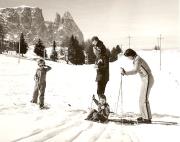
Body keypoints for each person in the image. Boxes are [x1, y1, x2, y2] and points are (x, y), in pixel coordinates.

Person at [121, 48, 154, 123]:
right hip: (145, 79)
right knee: (141, 98)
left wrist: (125, 72)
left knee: (144, 99)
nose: (128, 58)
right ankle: (144, 116)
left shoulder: (138, 59)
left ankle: (147, 119)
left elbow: (135, 71)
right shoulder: (136, 59)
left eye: (128, 56)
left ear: (131, 55)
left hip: (147, 78)